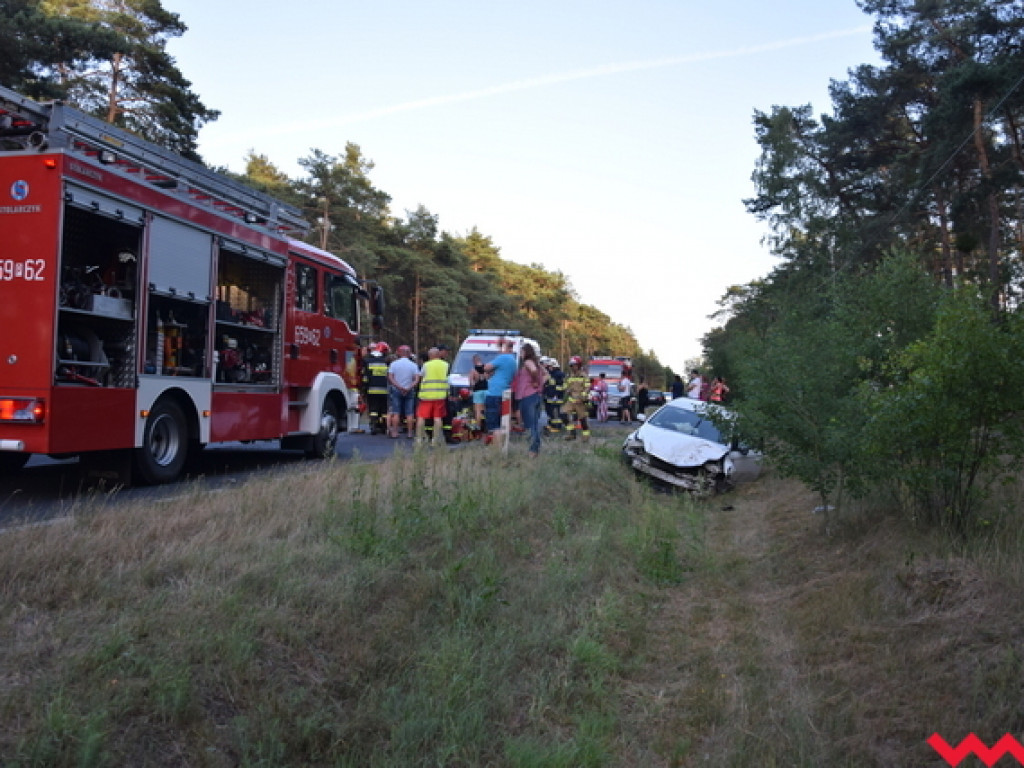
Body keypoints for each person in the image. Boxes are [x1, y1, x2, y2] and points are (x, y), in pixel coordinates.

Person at [511, 343, 545, 457]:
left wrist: (534, 381)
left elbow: (534, 371)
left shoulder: (528, 362)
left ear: (526, 352)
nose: (520, 354)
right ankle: (536, 448)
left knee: (529, 424)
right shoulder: (537, 363)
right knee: (534, 424)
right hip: (536, 396)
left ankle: (532, 450)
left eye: (521, 352)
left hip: (528, 396)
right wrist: (539, 385)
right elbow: (545, 375)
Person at [482, 339, 517, 445]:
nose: (499, 350)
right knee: (503, 422)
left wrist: (487, 370)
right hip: (504, 392)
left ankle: (496, 449)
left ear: (506, 348)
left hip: (494, 393)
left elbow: (486, 367)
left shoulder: (503, 357)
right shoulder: (512, 360)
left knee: (494, 425)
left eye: (501, 347)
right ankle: (502, 446)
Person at [415, 347, 449, 445]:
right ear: (438, 355)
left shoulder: (426, 365)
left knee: (421, 417)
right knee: (437, 418)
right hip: (440, 395)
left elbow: (421, 377)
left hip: (426, 395)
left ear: (430, 356)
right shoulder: (445, 365)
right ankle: (435, 439)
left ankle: (419, 439)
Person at [387, 344, 420, 438]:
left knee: (396, 412)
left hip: (396, 390)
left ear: (399, 353)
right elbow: (416, 379)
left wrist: (398, 386)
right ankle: (410, 433)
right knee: (409, 413)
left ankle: (394, 432)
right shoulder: (413, 365)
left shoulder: (394, 364)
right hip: (409, 390)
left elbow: (390, 377)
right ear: (409, 353)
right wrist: (409, 387)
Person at [561, 356, 591, 441]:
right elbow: (565, 385)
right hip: (571, 400)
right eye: (571, 365)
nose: (572, 367)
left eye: (573, 365)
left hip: (580, 401)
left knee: (582, 420)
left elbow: (587, 387)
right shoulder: (569, 375)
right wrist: (566, 389)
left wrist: (583, 396)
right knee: (563, 414)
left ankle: (586, 436)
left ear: (578, 365)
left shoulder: (584, 376)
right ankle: (572, 433)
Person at [362, 342, 390, 434]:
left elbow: (365, 377)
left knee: (373, 409)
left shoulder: (367, 361)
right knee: (384, 410)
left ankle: (373, 426)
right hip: (385, 390)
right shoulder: (386, 361)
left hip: (372, 389)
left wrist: (364, 389)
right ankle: (383, 427)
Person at [542, 357, 565, 433]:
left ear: (554, 366)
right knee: (550, 412)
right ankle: (552, 425)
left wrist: (555, 394)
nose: (549, 368)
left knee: (556, 413)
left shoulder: (559, 374)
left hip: (556, 398)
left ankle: (557, 427)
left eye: (550, 366)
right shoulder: (552, 374)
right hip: (550, 397)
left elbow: (561, 387)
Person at [468, 353, 489, 432]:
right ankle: (487, 427)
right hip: (486, 391)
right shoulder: (486, 368)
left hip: (477, 391)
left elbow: (471, 383)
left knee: (478, 411)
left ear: (474, 361)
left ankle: (478, 428)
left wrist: (472, 386)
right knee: (486, 409)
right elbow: (488, 378)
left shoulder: (473, 370)